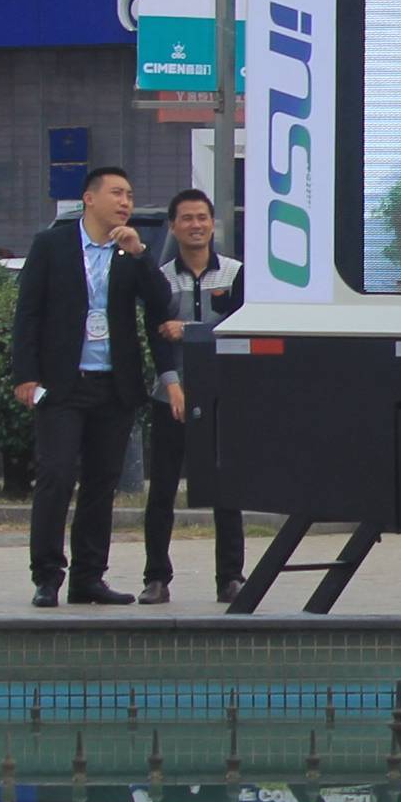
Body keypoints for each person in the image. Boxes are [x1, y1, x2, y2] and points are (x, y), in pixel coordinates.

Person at [9, 165, 180, 607]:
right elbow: (27, 312)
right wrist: (25, 375)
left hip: (114, 385)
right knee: (56, 476)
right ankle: (47, 576)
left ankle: (89, 577)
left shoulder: (131, 252)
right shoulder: (52, 245)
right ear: (90, 198)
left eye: (129, 194)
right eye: (117, 193)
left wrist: (141, 253)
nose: (125, 202)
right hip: (63, 383)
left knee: (102, 485)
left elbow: (163, 306)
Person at [144, 186, 245, 605]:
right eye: (186, 218)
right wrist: (172, 383)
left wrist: (188, 330)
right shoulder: (160, 277)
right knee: (162, 490)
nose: (195, 225)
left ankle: (231, 577)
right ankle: (155, 578)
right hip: (171, 396)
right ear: (174, 226)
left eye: (202, 217)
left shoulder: (238, 274)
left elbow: (239, 329)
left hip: (222, 398)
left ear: (212, 224)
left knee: (227, 488)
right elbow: (157, 337)